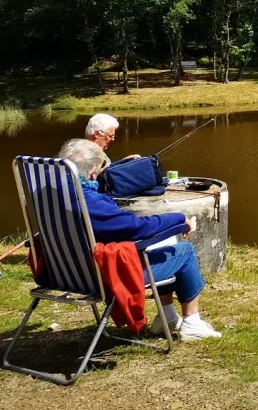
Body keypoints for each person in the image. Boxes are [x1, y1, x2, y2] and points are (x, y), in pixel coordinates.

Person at [58, 138, 221, 341]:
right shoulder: (90, 202)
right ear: (92, 172)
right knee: (184, 252)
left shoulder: (52, 195)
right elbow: (136, 228)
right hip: (103, 277)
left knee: (166, 242)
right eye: (100, 169)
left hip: (65, 273)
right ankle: (192, 324)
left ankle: (168, 318)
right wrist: (179, 218)